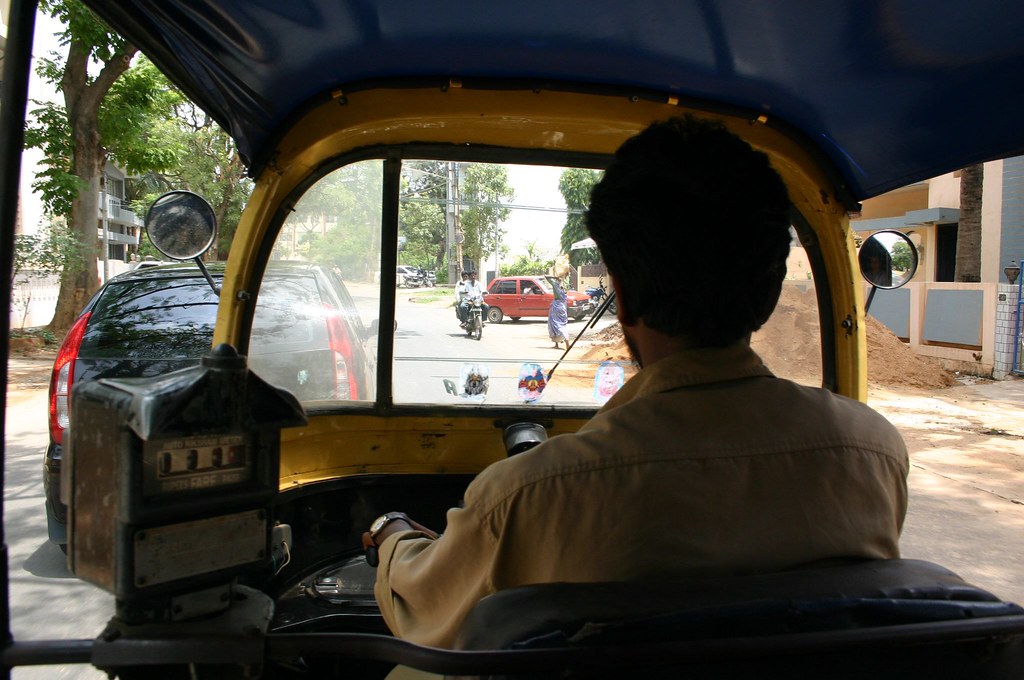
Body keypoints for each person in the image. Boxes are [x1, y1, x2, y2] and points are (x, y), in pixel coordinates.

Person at [362, 115, 909, 649]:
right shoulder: (874, 453)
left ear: (620, 292)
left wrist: (391, 534)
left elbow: (424, 609)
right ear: (769, 288)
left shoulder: (531, 498)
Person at [547, 278, 569, 348]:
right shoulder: (565, 288)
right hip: (562, 308)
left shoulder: (556, 286)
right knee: (561, 325)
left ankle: (566, 341)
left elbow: (547, 277)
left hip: (556, 308)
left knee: (555, 325)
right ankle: (560, 343)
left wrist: (554, 277)